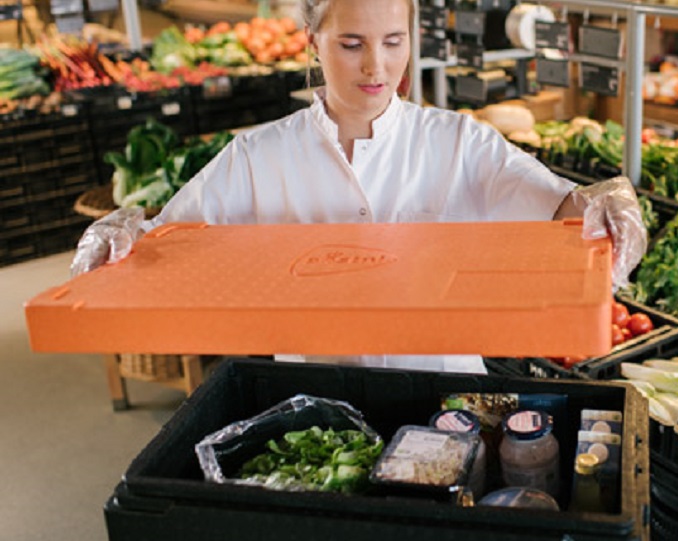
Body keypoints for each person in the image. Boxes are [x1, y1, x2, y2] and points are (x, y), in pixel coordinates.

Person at [70, 0, 648, 374]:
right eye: (352, 44)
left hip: (444, 388)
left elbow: (555, 203)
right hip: (317, 392)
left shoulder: (457, 142)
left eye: (394, 41)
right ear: (311, 41)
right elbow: (167, 237)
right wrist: (125, 233)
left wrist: (603, 200)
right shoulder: (258, 155)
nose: (376, 66)